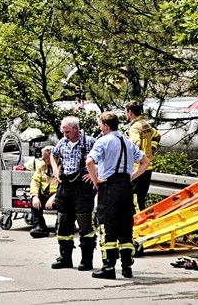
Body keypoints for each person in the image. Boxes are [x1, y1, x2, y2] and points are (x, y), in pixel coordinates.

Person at [86, 112, 149, 279]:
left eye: (101, 125)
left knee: (108, 226)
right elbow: (145, 162)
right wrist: (131, 177)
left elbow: (89, 162)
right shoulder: (127, 142)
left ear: (106, 126)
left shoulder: (103, 141)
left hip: (109, 188)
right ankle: (127, 266)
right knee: (125, 227)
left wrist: (96, 180)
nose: (100, 128)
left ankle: (108, 267)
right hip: (126, 189)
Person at [49, 116, 97, 270]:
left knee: (85, 225)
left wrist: (94, 174)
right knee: (63, 222)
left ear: (76, 129)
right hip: (65, 186)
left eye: (68, 132)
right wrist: (55, 169)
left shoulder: (89, 142)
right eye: (63, 132)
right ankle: (65, 258)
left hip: (83, 188)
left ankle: (86, 260)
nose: (65, 135)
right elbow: (53, 155)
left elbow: (104, 158)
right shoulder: (62, 142)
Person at [124, 100, 160, 212]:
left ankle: (139, 224)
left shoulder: (134, 127)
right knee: (141, 199)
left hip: (137, 168)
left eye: (126, 111)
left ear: (130, 112)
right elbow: (157, 136)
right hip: (148, 167)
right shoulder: (146, 124)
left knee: (135, 200)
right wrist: (151, 150)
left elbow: (136, 144)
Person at [29, 145, 58, 238]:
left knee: (65, 200)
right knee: (34, 200)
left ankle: (61, 226)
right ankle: (40, 227)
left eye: (46, 158)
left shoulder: (63, 166)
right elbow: (35, 181)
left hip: (58, 196)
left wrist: (54, 197)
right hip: (45, 195)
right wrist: (34, 196)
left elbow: (66, 186)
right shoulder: (42, 166)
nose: (43, 160)